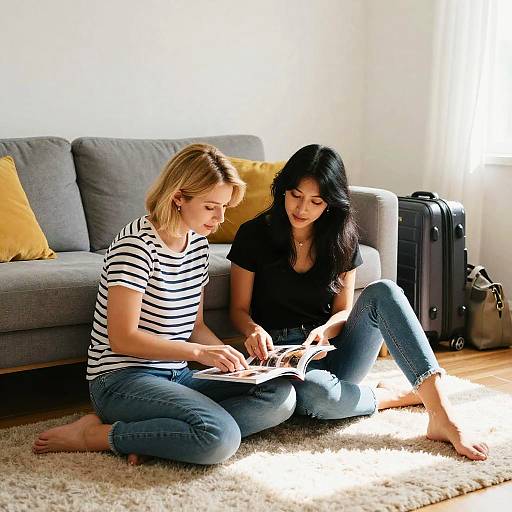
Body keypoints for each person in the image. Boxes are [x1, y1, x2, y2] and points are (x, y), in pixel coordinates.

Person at [33, 144, 296, 465]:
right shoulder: (136, 246)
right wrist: (200, 354)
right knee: (220, 439)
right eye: (211, 207)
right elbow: (123, 338)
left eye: (225, 207)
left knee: (279, 397)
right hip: (122, 380)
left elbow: (195, 327)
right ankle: (97, 435)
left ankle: (161, 436)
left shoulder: (198, 245)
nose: (220, 218)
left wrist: (237, 364)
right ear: (178, 198)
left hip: (177, 375)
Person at [228, 144, 489, 461]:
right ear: (283, 189)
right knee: (315, 396)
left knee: (385, 291)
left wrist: (325, 331)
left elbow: (343, 310)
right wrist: (253, 330)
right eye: (295, 195)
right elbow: (238, 310)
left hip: (332, 350)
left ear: (330, 204)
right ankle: (388, 396)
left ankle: (442, 415)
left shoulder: (340, 237)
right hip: (280, 357)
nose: (302, 208)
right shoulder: (253, 234)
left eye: (316, 201)